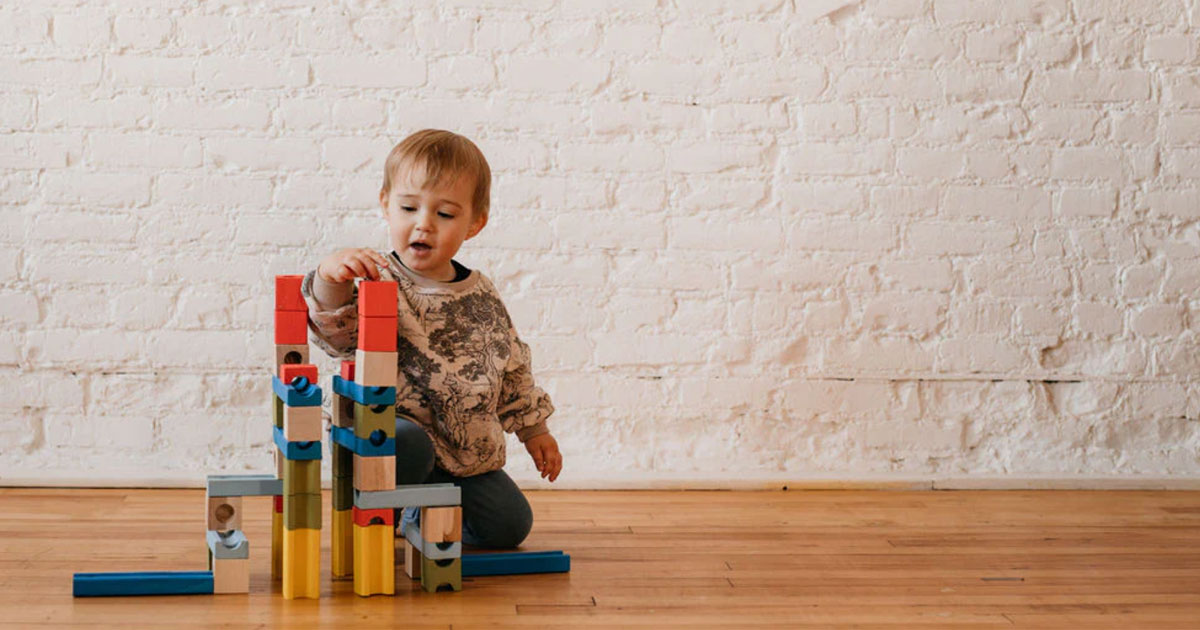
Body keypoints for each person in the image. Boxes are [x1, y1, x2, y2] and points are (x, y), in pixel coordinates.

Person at [301, 129, 561, 548]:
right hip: (392, 436)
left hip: (465, 453)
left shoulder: (482, 293)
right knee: (406, 444)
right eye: (409, 207)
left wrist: (536, 431)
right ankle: (391, 507)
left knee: (511, 526)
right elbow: (336, 332)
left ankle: (424, 513)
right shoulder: (375, 277)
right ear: (386, 205)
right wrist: (331, 278)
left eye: (445, 214)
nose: (423, 223)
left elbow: (511, 366)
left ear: (474, 223)